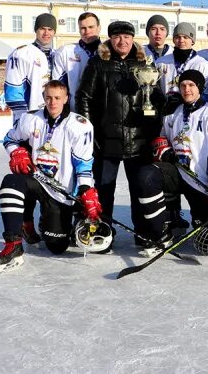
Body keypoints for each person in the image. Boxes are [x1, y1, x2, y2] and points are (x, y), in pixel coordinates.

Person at [0, 80, 101, 272]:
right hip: (35, 179)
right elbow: (10, 139)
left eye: (57, 98)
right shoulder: (30, 119)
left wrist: (86, 189)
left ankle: (52, 222)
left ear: (66, 99)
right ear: (44, 98)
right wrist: (16, 152)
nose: (53, 102)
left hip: (60, 190)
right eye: (49, 97)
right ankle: (14, 243)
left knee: (56, 246)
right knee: (11, 181)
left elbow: (84, 164)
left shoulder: (80, 125)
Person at [74, 20, 159, 248]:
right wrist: (89, 133)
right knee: (104, 190)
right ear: (110, 39)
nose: (122, 41)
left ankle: (143, 233)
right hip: (106, 140)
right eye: (117, 37)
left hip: (138, 140)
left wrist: (152, 131)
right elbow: (84, 98)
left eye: (127, 36)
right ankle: (103, 233)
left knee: (140, 189)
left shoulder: (145, 64)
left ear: (133, 39)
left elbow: (156, 98)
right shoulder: (98, 64)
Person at [138, 69, 208, 255]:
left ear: (200, 88)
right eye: (183, 85)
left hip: (203, 183)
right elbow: (162, 141)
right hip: (178, 174)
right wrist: (165, 152)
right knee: (146, 175)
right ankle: (160, 232)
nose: (187, 89)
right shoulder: (173, 113)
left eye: (191, 85)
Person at [4, 13, 57, 122]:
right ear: (36, 30)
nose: (46, 33)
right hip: (31, 116)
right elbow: (13, 88)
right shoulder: (21, 54)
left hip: (55, 115)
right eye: (42, 29)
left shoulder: (58, 55)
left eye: (50, 29)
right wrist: (22, 118)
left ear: (54, 32)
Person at [155, 21, 208, 114]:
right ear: (173, 40)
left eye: (185, 37)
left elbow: (206, 93)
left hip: (192, 111)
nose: (181, 40)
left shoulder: (202, 64)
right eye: (177, 37)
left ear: (192, 40)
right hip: (167, 110)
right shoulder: (161, 62)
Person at [52, 11, 101, 110]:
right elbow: (58, 87)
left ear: (99, 28)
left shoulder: (109, 52)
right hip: (75, 111)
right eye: (83, 28)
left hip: (103, 113)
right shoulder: (66, 52)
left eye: (91, 27)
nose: (87, 31)